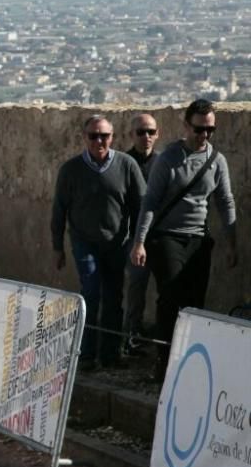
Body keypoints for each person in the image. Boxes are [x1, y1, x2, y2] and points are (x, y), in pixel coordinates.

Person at [131, 99, 238, 382]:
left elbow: (225, 201)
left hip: (197, 239)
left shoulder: (216, 161)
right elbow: (151, 202)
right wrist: (140, 241)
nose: (204, 135)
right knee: (170, 296)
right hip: (167, 237)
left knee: (194, 303)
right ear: (186, 126)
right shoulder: (169, 158)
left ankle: (191, 362)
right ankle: (164, 362)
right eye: (199, 129)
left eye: (210, 130)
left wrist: (231, 242)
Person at [52, 115, 145, 370]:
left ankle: (111, 354)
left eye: (104, 136)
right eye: (93, 136)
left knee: (114, 297)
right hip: (84, 241)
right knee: (91, 292)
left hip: (117, 242)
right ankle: (86, 354)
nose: (99, 141)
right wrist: (58, 247)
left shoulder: (126, 166)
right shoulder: (71, 170)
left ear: (112, 137)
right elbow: (59, 210)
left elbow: (141, 206)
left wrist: (139, 242)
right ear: (85, 138)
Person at [123, 114, 160, 356]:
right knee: (136, 289)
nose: (146, 137)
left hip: (161, 236)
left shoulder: (162, 163)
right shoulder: (124, 164)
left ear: (157, 134)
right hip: (134, 238)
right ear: (132, 135)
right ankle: (130, 338)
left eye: (150, 132)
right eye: (140, 132)